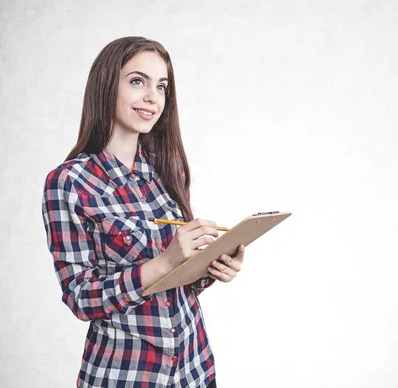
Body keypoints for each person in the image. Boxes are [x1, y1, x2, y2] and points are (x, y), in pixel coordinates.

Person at [41, 36, 245, 388]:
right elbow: (80, 297)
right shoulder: (69, 182)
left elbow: (177, 286)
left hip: (193, 369)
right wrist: (163, 263)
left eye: (161, 86)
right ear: (107, 85)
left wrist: (212, 265)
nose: (153, 96)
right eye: (138, 81)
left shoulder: (169, 170)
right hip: (126, 374)